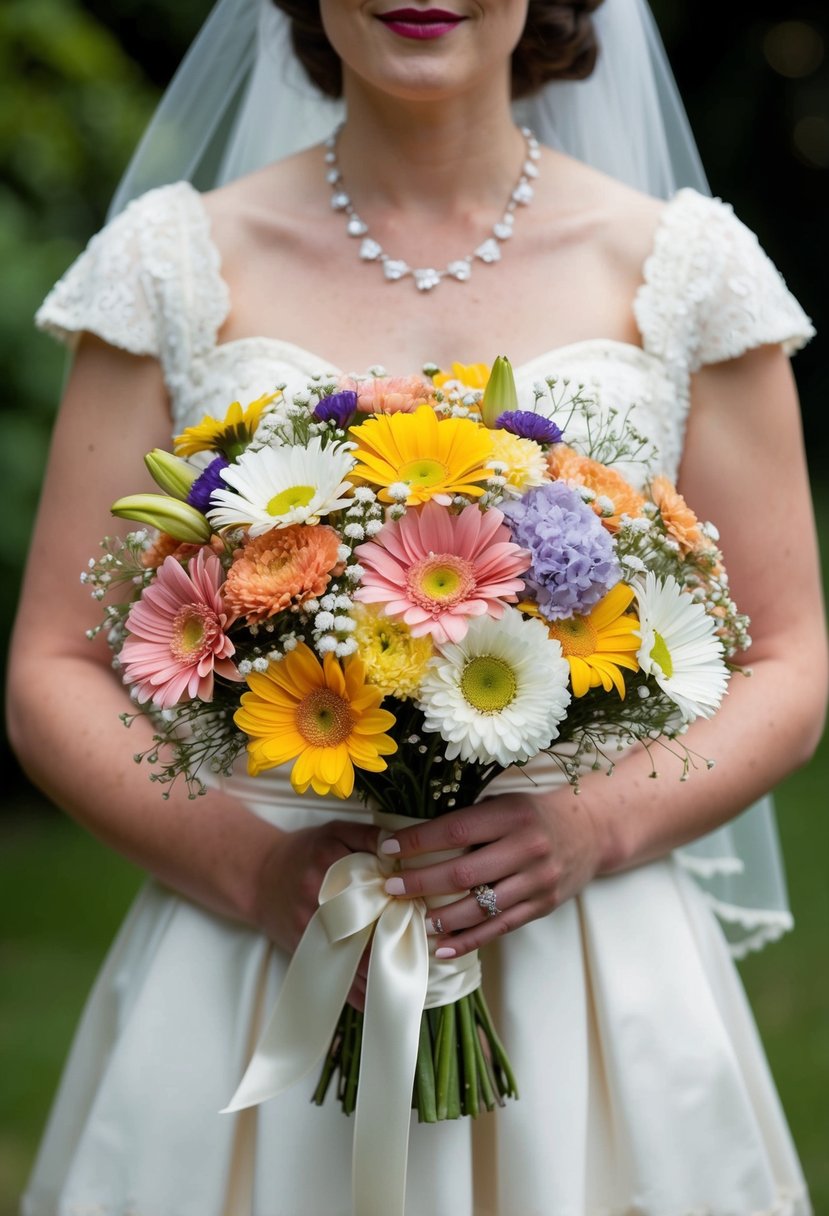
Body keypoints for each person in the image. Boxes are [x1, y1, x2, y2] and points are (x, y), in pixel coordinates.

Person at [8, 0, 827, 1212]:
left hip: (589, 961)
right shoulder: (169, 262)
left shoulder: (685, 268)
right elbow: (51, 668)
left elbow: (791, 656)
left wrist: (589, 828)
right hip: (263, 959)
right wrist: (252, 874)